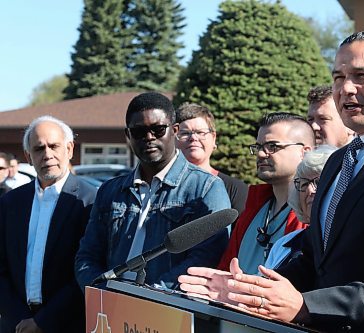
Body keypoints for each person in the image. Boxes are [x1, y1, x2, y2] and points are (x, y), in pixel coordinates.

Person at [178, 30, 364, 332]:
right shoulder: (338, 160)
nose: (345, 88)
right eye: (338, 77)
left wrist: (307, 307)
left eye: (362, 75)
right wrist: (254, 291)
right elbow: (316, 257)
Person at [75, 92, 231, 291]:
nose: (149, 137)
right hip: (110, 310)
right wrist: (103, 291)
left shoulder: (206, 188)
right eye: (139, 131)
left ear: (174, 130)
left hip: (170, 311)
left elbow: (207, 256)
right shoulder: (109, 191)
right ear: (128, 135)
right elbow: (87, 256)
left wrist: (151, 295)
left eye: (158, 129)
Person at [0, 116, 97, 333]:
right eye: (39, 148)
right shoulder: (10, 203)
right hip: (15, 325)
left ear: (70, 149)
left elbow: (88, 270)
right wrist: (19, 319)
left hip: (67, 324)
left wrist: (43, 322)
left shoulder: (90, 201)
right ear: (28, 156)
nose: (47, 155)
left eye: (54, 146)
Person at [217, 112, 315, 275]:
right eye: (259, 147)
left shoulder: (313, 212)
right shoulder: (253, 207)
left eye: (273, 146)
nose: (261, 154)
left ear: (304, 152)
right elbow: (225, 269)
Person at [264, 145, 335, 270]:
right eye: (304, 183)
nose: (309, 190)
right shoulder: (283, 244)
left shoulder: (345, 240)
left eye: (318, 182)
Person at [175, 103, 248, 215]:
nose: (193, 138)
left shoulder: (235, 189)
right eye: (185, 133)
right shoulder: (160, 188)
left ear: (213, 138)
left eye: (200, 132)